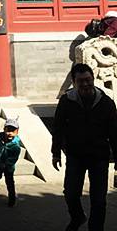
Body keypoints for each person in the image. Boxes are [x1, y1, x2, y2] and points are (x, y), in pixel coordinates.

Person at [52, 63, 117, 231]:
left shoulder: (106, 103)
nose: (85, 84)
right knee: (70, 194)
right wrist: (56, 152)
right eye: (81, 81)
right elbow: (58, 127)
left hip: (99, 156)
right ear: (74, 82)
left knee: (99, 200)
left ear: (93, 79)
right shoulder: (67, 101)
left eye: (88, 80)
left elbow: (114, 133)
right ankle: (78, 217)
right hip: (75, 155)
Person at [0, 117, 22, 207]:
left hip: (8, 167)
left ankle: (12, 199)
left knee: (10, 182)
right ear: (4, 129)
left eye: (13, 131)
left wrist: (7, 164)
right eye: (8, 130)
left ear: (17, 132)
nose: (10, 133)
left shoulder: (15, 146)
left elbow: (14, 158)